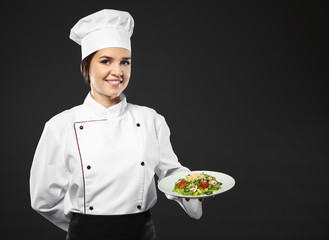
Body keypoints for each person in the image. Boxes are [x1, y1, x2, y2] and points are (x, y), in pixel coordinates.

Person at [29, 9, 203, 240]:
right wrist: (82, 225)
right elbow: (44, 198)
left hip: (140, 232)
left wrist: (196, 191)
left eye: (125, 62)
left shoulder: (151, 119)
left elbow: (171, 173)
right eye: (105, 61)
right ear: (87, 67)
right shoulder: (61, 125)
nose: (117, 71)